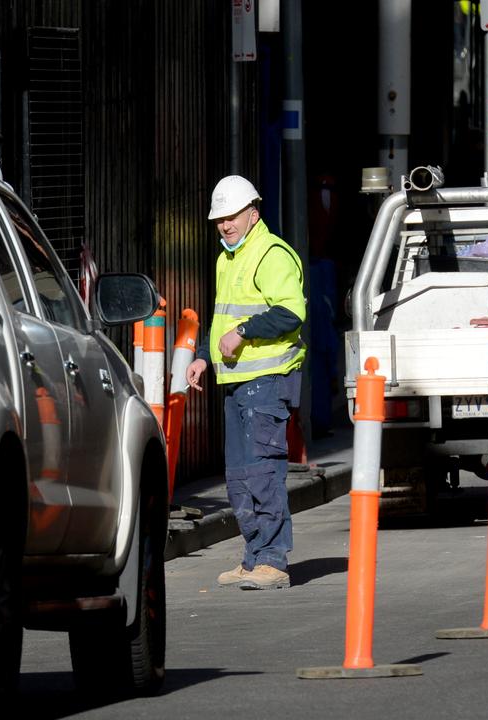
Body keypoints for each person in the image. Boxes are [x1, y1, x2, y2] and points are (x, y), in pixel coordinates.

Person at [185, 175, 307, 590]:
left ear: (253, 213)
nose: (224, 224)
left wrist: (243, 333)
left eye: (231, 216)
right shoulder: (227, 258)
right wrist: (204, 356)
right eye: (219, 218)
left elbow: (290, 313)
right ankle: (254, 555)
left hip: (268, 381)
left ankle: (273, 558)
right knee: (238, 475)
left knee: (262, 472)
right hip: (238, 382)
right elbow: (223, 317)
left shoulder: (272, 254)